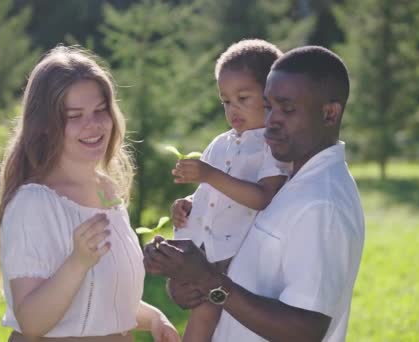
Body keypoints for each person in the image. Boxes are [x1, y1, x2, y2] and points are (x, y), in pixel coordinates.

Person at [144, 45, 365, 342]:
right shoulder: (288, 180)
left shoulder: (321, 203)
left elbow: (305, 331)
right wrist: (185, 279)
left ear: (329, 113)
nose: (272, 120)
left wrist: (209, 282)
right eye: (269, 106)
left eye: (287, 109)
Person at [0, 46, 180, 342]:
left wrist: (154, 319)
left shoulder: (106, 191)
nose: (94, 124)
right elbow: (32, 321)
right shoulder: (33, 203)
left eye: (101, 110)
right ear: (45, 127)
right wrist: (77, 261)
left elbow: (97, 300)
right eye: (74, 115)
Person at [169, 39, 290, 341]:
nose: (232, 109)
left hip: (236, 256)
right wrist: (186, 204)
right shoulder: (220, 143)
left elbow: (263, 197)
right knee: (190, 300)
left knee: (207, 308)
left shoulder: (272, 145)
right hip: (203, 247)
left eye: (243, 98)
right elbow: (208, 197)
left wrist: (210, 175)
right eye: (226, 101)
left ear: (269, 97)